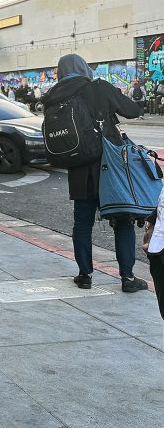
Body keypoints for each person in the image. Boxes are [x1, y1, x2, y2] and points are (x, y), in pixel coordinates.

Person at [43, 53, 148, 293]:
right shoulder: (98, 87)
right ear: (83, 68)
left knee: (82, 223)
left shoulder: (53, 97)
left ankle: (85, 275)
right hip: (109, 166)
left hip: (79, 167)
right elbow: (131, 110)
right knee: (123, 221)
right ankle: (128, 278)